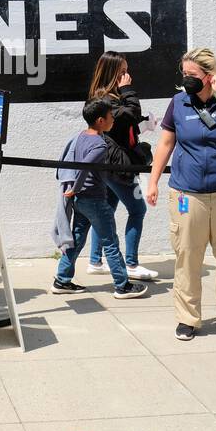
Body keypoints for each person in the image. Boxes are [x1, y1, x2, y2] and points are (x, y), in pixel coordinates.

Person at [146, 48, 216, 342]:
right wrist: (153, 181)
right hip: (186, 193)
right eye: (184, 75)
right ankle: (187, 319)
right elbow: (166, 144)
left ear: (209, 74)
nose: (185, 80)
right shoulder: (178, 103)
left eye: (192, 75)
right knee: (188, 257)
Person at [54, 99, 149, 299]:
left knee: (77, 239)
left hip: (81, 201)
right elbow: (84, 167)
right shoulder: (100, 144)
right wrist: (74, 188)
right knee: (111, 242)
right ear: (100, 120)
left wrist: (75, 191)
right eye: (110, 116)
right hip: (94, 200)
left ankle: (61, 279)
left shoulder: (81, 136)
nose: (113, 120)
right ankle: (122, 285)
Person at [84, 52, 158, 283]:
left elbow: (127, 121)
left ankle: (96, 260)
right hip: (116, 165)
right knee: (138, 210)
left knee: (106, 210)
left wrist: (144, 124)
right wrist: (128, 92)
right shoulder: (104, 98)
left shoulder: (110, 97)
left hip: (112, 162)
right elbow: (129, 114)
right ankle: (132, 263)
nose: (128, 75)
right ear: (112, 72)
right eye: (123, 71)